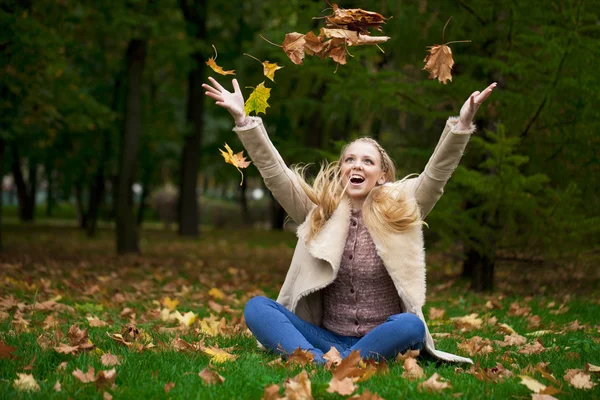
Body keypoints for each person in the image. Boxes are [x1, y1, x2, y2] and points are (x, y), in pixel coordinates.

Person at [203, 77, 496, 365]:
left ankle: (323, 361)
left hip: (383, 337)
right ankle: (325, 361)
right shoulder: (319, 212)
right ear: (342, 169)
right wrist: (244, 121)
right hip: (325, 337)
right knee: (257, 308)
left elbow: (436, 174)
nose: (357, 165)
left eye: (368, 161)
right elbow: (276, 174)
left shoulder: (401, 206)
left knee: (411, 326)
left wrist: (461, 126)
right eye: (350, 159)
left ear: (382, 175)